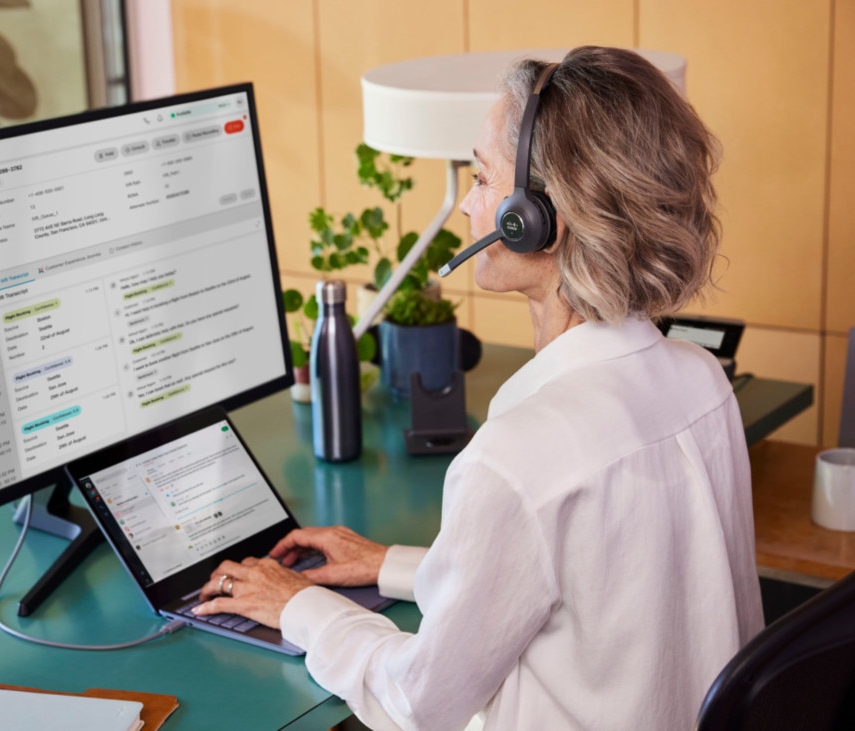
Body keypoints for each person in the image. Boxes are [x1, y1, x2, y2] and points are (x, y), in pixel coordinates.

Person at [192, 46, 763, 730]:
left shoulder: (517, 457)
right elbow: (592, 583)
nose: (466, 202)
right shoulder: (700, 381)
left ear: (538, 216)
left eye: (481, 176)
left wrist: (297, 606)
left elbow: (418, 700)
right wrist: (394, 565)